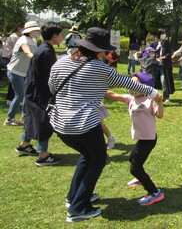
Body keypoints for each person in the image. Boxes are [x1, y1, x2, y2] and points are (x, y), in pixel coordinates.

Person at [48, 27, 164, 222]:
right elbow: (130, 84)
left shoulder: (61, 63)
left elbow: (52, 87)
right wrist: (155, 94)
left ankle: (74, 197)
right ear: (98, 50)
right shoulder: (100, 68)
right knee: (97, 159)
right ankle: (78, 209)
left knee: (87, 156)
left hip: (60, 124)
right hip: (84, 124)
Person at [105, 72, 164, 206]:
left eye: (135, 84)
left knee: (134, 168)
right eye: (130, 83)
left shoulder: (150, 100)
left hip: (149, 138)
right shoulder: (130, 99)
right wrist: (95, 86)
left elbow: (159, 115)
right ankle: (143, 177)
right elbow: (112, 95)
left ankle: (155, 192)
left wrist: (159, 101)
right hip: (141, 138)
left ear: (144, 87)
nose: (131, 86)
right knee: (132, 159)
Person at [15, 22, 63, 166]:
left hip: (33, 90)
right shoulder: (46, 51)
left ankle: (24, 145)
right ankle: (43, 155)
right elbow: (51, 76)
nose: (61, 38)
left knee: (32, 118)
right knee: (43, 121)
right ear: (54, 36)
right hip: (40, 92)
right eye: (60, 35)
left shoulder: (43, 47)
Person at [5, 21, 41, 126]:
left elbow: (37, 53)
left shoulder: (33, 40)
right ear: (31, 31)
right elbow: (27, 52)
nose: (38, 32)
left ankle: (25, 115)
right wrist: (38, 60)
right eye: (36, 30)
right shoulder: (23, 40)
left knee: (26, 94)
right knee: (19, 95)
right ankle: (9, 119)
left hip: (24, 73)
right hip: (15, 72)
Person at [1, 23, 24, 104]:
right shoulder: (14, 37)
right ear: (19, 28)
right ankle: (11, 99)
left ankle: (13, 99)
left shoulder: (20, 37)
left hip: (13, 59)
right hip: (8, 59)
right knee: (14, 80)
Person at [151, 29, 175, 102]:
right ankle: (153, 96)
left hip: (164, 66)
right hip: (156, 65)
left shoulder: (167, 43)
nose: (164, 35)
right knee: (153, 82)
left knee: (164, 81)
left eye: (165, 33)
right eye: (162, 33)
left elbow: (169, 53)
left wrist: (162, 58)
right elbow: (149, 51)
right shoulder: (155, 43)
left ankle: (166, 97)